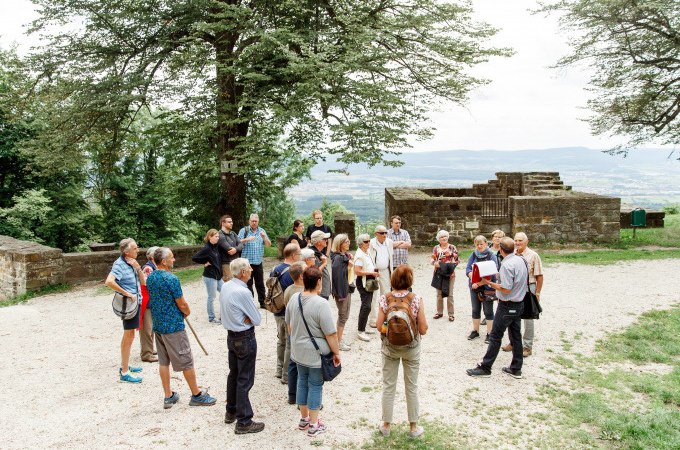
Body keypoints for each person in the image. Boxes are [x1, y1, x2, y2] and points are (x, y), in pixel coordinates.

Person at [146, 247, 217, 408]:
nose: (174, 260)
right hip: (173, 327)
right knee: (186, 360)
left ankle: (168, 396)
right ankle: (196, 395)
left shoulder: (151, 277)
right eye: (171, 257)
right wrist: (187, 311)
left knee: (163, 362)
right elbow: (182, 303)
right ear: (163, 261)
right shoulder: (171, 279)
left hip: (158, 325)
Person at [285, 267, 341, 437]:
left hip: (298, 351)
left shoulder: (295, 298)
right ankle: (314, 424)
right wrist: (336, 352)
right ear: (318, 282)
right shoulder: (321, 303)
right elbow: (330, 333)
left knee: (302, 381)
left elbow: (289, 326)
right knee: (315, 385)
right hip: (315, 353)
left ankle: (304, 419)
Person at [377, 265, 428, 439]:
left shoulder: (385, 298)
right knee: (411, 387)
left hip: (390, 348)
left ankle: (386, 425)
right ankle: (413, 427)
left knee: (388, 386)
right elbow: (423, 329)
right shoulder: (416, 299)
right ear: (410, 280)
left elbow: (378, 326)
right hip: (411, 348)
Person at [466, 237, 528, 379]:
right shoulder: (521, 260)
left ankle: (485, 367)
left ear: (501, 249)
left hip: (507, 304)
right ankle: (516, 368)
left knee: (495, 336)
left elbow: (506, 289)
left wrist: (487, 282)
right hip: (519, 304)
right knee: (516, 336)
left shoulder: (507, 265)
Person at [220, 258, 265, 434]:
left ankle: (230, 411)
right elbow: (257, 318)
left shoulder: (227, 286)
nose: (252, 270)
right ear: (243, 272)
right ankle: (244, 421)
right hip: (244, 336)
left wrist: (246, 316)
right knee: (244, 379)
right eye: (249, 268)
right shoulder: (243, 291)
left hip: (231, 336)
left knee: (234, 374)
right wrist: (247, 317)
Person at [105, 238, 147, 383]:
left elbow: (143, 282)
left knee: (130, 336)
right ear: (126, 251)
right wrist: (127, 293)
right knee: (128, 336)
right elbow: (109, 281)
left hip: (137, 303)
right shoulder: (119, 264)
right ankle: (124, 372)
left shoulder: (131, 263)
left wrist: (138, 268)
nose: (138, 250)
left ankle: (125, 364)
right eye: (135, 248)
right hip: (129, 306)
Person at [502, 232, 544, 357]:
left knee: (528, 318)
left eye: (520, 240)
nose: (517, 243)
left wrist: (537, 292)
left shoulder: (533, 255)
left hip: (528, 286)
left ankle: (527, 346)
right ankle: (513, 342)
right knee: (512, 316)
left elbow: (539, 276)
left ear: (526, 242)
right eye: (515, 240)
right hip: (514, 287)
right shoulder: (512, 254)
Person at [272, 244, 301, 384]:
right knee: (289, 343)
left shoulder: (275, 269)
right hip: (288, 312)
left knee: (281, 340)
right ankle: (286, 375)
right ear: (294, 256)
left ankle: (278, 369)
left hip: (276, 310)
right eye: (299, 254)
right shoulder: (293, 272)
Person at [465, 235, 498, 344]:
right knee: (475, 309)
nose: (479, 246)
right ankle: (475, 331)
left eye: (481, 244)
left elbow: (493, 274)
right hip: (474, 287)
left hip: (487, 287)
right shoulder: (473, 254)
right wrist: (471, 276)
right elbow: (468, 268)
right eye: (477, 244)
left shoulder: (491, 255)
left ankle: (490, 333)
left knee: (488, 311)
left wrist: (479, 283)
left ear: (485, 243)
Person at [283, 262, 306, 403]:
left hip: (291, 329)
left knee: (293, 363)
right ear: (302, 276)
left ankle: (292, 395)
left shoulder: (288, 290)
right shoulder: (303, 291)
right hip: (300, 331)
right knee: (302, 365)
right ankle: (302, 397)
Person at [238, 213, 271, 308]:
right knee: (248, 284)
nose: (254, 223)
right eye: (252, 221)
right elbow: (237, 242)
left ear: (258, 222)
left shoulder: (262, 231)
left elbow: (268, 244)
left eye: (255, 221)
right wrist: (247, 239)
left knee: (260, 283)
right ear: (249, 221)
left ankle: (262, 302)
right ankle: (250, 303)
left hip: (258, 262)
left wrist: (264, 237)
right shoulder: (244, 230)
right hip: (246, 263)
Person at [192, 229, 223, 324]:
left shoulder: (215, 247)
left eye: (218, 236)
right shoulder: (207, 248)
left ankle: (223, 315)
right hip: (210, 276)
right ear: (210, 237)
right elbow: (194, 258)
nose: (217, 238)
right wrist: (204, 262)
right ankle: (211, 318)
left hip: (218, 276)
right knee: (211, 297)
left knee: (225, 292)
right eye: (215, 236)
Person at [330, 233, 353, 351]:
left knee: (345, 316)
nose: (348, 243)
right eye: (346, 242)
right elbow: (337, 277)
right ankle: (338, 342)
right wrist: (341, 294)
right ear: (340, 244)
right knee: (343, 316)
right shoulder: (339, 259)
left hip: (346, 289)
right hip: (342, 291)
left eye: (348, 241)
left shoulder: (343, 256)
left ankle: (339, 339)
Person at [353, 233, 378, 342]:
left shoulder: (366, 252)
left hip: (369, 279)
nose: (369, 243)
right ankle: (360, 331)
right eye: (366, 242)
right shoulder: (359, 255)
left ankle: (363, 328)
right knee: (366, 305)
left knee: (369, 304)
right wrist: (371, 273)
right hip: (363, 281)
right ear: (360, 243)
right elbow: (357, 271)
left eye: (369, 241)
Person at [367, 225, 394, 327]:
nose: (384, 235)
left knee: (386, 295)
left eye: (386, 232)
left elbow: (390, 258)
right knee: (373, 296)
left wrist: (391, 272)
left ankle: (386, 317)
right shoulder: (371, 243)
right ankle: (373, 320)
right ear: (376, 234)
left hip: (385, 271)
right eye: (382, 233)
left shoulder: (389, 242)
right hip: (374, 272)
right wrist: (372, 270)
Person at [430, 230, 459, 322]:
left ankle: (451, 314)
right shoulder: (436, 248)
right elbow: (432, 259)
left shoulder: (452, 247)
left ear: (448, 237)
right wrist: (435, 263)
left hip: (450, 273)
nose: (444, 238)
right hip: (439, 273)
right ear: (439, 239)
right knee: (439, 294)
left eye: (445, 236)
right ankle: (439, 312)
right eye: (442, 237)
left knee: (450, 294)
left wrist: (450, 255)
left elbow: (457, 259)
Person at [139, 246, 158, 363]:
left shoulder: (154, 266)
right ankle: (146, 354)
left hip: (151, 301)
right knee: (147, 328)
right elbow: (147, 285)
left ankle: (149, 349)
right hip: (147, 302)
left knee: (151, 327)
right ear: (151, 256)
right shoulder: (148, 268)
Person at [217, 214, 243, 282]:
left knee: (237, 283)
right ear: (223, 223)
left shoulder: (233, 233)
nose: (231, 223)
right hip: (226, 265)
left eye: (231, 222)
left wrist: (236, 249)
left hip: (236, 263)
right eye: (229, 222)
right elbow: (229, 249)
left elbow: (241, 245)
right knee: (229, 285)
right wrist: (237, 248)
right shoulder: (219, 235)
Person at [310, 230, 332, 299]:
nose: (327, 241)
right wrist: (324, 263)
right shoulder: (312, 255)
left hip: (323, 290)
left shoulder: (319, 253)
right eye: (325, 239)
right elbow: (314, 273)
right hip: (319, 292)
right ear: (319, 242)